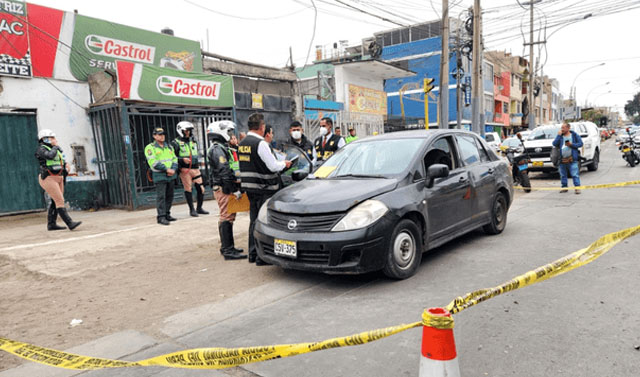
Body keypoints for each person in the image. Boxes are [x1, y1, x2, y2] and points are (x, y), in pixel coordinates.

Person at [239, 113, 292, 265]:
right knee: (263, 222)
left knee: (253, 220)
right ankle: (261, 257)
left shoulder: (242, 143)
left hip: (250, 188)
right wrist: (285, 164)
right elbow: (273, 166)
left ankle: (252, 253)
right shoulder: (260, 144)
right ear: (262, 128)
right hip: (264, 188)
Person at [207, 121, 246, 260]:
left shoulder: (222, 147)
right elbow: (224, 171)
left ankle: (227, 247)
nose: (230, 135)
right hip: (223, 188)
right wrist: (232, 189)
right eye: (228, 132)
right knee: (226, 217)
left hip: (225, 187)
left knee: (229, 216)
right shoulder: (218, 149)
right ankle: (228, 250)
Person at [34, 129, 81, 231]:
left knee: (56, 201)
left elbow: (60, 161)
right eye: (52, 138)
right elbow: (49, 156)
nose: (54, 140)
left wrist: (65, 166)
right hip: (48, 178)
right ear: (45, 139)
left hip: (59, 177)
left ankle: (51, 224)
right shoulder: (41, 149)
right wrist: (55, 147)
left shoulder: (55, 149)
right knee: (60, 201)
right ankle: (70, 223)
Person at [171, 121, 209, 217]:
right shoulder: (175, 143)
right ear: (181, 131)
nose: (188, 132)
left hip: (195, 168)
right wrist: (182, 160)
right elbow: (172, 157)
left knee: (201, 188)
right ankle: (192, 209)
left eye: (189, 130)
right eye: (186, 130)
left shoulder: (193, 141)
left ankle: (199, 208)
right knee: (188, 189)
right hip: (185, 170)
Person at [145, 127, 178, 225]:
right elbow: (153, 162)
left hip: (170, 174)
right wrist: (167, 169)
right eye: (159, 134)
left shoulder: (169, 147)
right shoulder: (150, 148)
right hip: (160, 175)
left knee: (170, 196)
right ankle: (161, 216)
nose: (162, 136)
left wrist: (173, 169)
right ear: (154, 136)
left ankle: (167, 214)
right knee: (161, 196)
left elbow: (174, 159)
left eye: (163, 134)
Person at [552, 121, 584, 194]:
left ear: (568, 128)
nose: (562, 129)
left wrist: (571, 144)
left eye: (563, 127)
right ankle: (564, 187)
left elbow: (580, 144)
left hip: (572, 159)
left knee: (574, 174)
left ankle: (577, 188)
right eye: (561, 128)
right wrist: (558, 136)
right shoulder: (560, 136)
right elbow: (554, 144)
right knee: (563, 174)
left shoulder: (574, 135)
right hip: (562, 159)